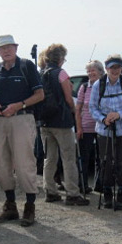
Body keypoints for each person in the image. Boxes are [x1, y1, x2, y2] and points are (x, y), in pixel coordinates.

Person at [0, 35, 44, 227]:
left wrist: (19, 105)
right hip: (0, 121)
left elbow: (40, 94)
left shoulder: (26, 66)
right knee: (1, 164)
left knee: (24, 164)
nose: (6, 51)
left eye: (9, 47)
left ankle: (30, 207)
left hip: (22, 118)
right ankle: (10, 206)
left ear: (15, 47)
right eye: (2, 48)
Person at [41, 44, 90, 206]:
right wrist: (72, 111)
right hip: (61, 122)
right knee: (68, 158)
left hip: (45, 121)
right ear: (61, 58)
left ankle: (50, 191)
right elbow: (69, 99)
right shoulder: (61, 74)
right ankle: (72, 193)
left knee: (49, 158)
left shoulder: (41, 73)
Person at [89, 54, 122, 210]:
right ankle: (107, 192)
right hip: (105, 131)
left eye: (118, 67)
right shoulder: (99, 85)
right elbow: (93, 108)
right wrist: (104, 119)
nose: (115, 70)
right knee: (105, 162)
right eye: (112, 67)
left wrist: (119, 115)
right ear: (107, 68)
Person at [75, 60, 105, 193]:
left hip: (102, 127)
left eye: (93, 70)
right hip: (86, 127)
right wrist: (79, 127)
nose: (90, 73)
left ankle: (100, 184)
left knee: (102, 158)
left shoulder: (105, 86)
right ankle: (82, 185)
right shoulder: (84, 87)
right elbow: (78, 108)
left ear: (100, 72)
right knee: (84, 158)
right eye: (89, 71)